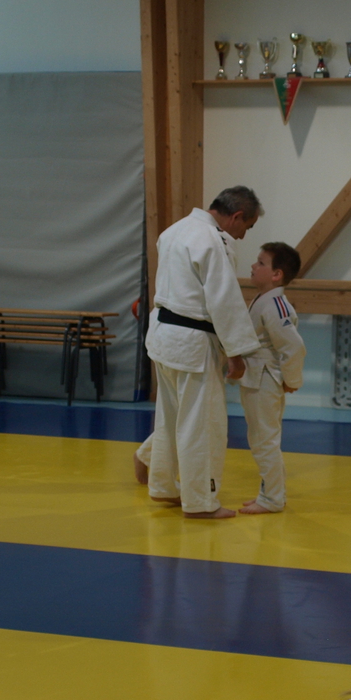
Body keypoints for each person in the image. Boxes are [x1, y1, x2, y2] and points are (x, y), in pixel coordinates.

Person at [135, 186, 262, 519]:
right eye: (246, 227)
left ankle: (164, 486)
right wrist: (236, 352)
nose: (243, 235)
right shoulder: (213, 241)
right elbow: (223, 299)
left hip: (163, 336)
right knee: (202, 425)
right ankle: (200, 502)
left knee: (170, 417)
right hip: (192, 342)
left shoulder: (174, 231)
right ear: (236, 216)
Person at [238, 242, 306, 515]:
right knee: (261, 439)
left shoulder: (276, 305)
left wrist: (292, 380)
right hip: (257, 376)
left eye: (261, 263)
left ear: (277, 274)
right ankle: (270, 493)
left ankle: (272, 499)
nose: (253, 266)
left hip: (265, 377)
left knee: (265, 440)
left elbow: (293, 347)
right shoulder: (264, 299)